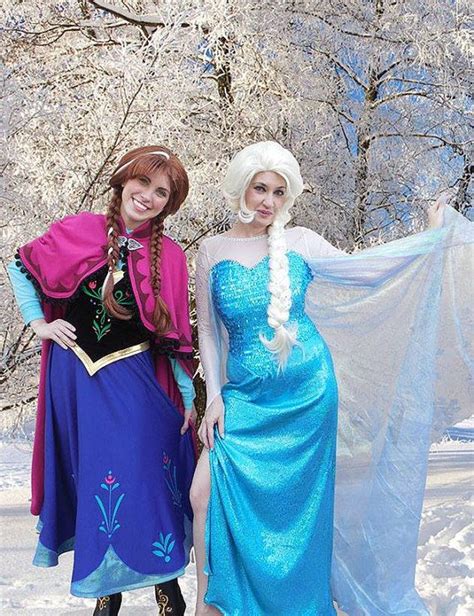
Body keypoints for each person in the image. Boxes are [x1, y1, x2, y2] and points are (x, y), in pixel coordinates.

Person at [191, 141, 473, 615]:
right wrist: (214, 397)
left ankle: (295, 605)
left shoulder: (300, 241)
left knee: (299, 514)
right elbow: (210, 336)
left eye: (279, 192)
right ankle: (209, 606)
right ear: (242, 186)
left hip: (307, 394)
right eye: (260, 188)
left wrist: (429, 237)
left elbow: (369, 271)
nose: (268, 201)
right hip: (243, 398)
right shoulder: (212, 250)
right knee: (204, 493)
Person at [8, 146, 197, 616]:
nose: (148, 197)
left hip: (136, 384)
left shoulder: (169, 256)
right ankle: (105, 594)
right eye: (143, 184)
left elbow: (174, 338)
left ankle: (166, 585)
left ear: (168, 204)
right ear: (124, 180)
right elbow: (19, 265)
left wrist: (190, 396)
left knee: (148, 479)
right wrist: (39, 324)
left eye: (162, 193)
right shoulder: (78, 230)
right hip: (76, 385)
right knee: (97, 479)